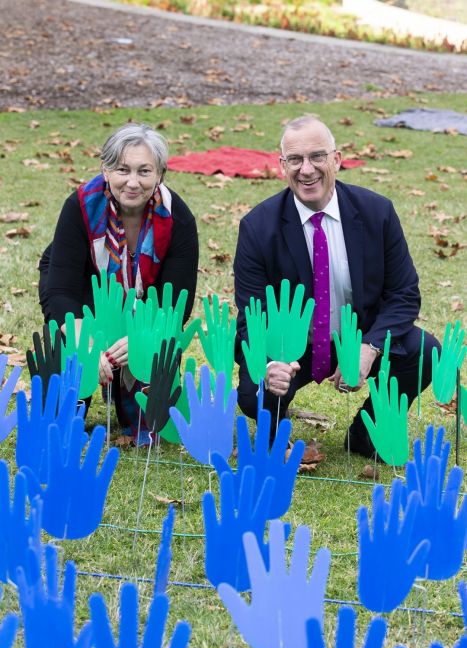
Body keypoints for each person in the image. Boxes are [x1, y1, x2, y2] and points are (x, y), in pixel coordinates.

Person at [234, 115, 440, 459]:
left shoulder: (378, 212)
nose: (307, 169)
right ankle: (274, 426)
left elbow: (405, 294)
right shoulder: (257, 227)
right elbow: (250, 317)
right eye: (295, 160)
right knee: (253, 391)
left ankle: (365, 432)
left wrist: (369, 347)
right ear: (282, 165)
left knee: (424, 351)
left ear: (337, 160)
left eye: (317, 156)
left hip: (359, 335)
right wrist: (271, 364)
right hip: (293, 346)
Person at [39, 122, 198, 443]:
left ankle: (124, 395)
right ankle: (76, 392)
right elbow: (61, 291)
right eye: (122, 169)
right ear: (106, 170)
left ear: (160, 175)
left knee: (156, 425)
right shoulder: (79, 207)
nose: (133, 182)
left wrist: (141, 338)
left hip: (144, 310)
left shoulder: (178, 219)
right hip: (84, 297)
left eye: (144, 171)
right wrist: (87, 344)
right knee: (60, 415)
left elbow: (175, 303)